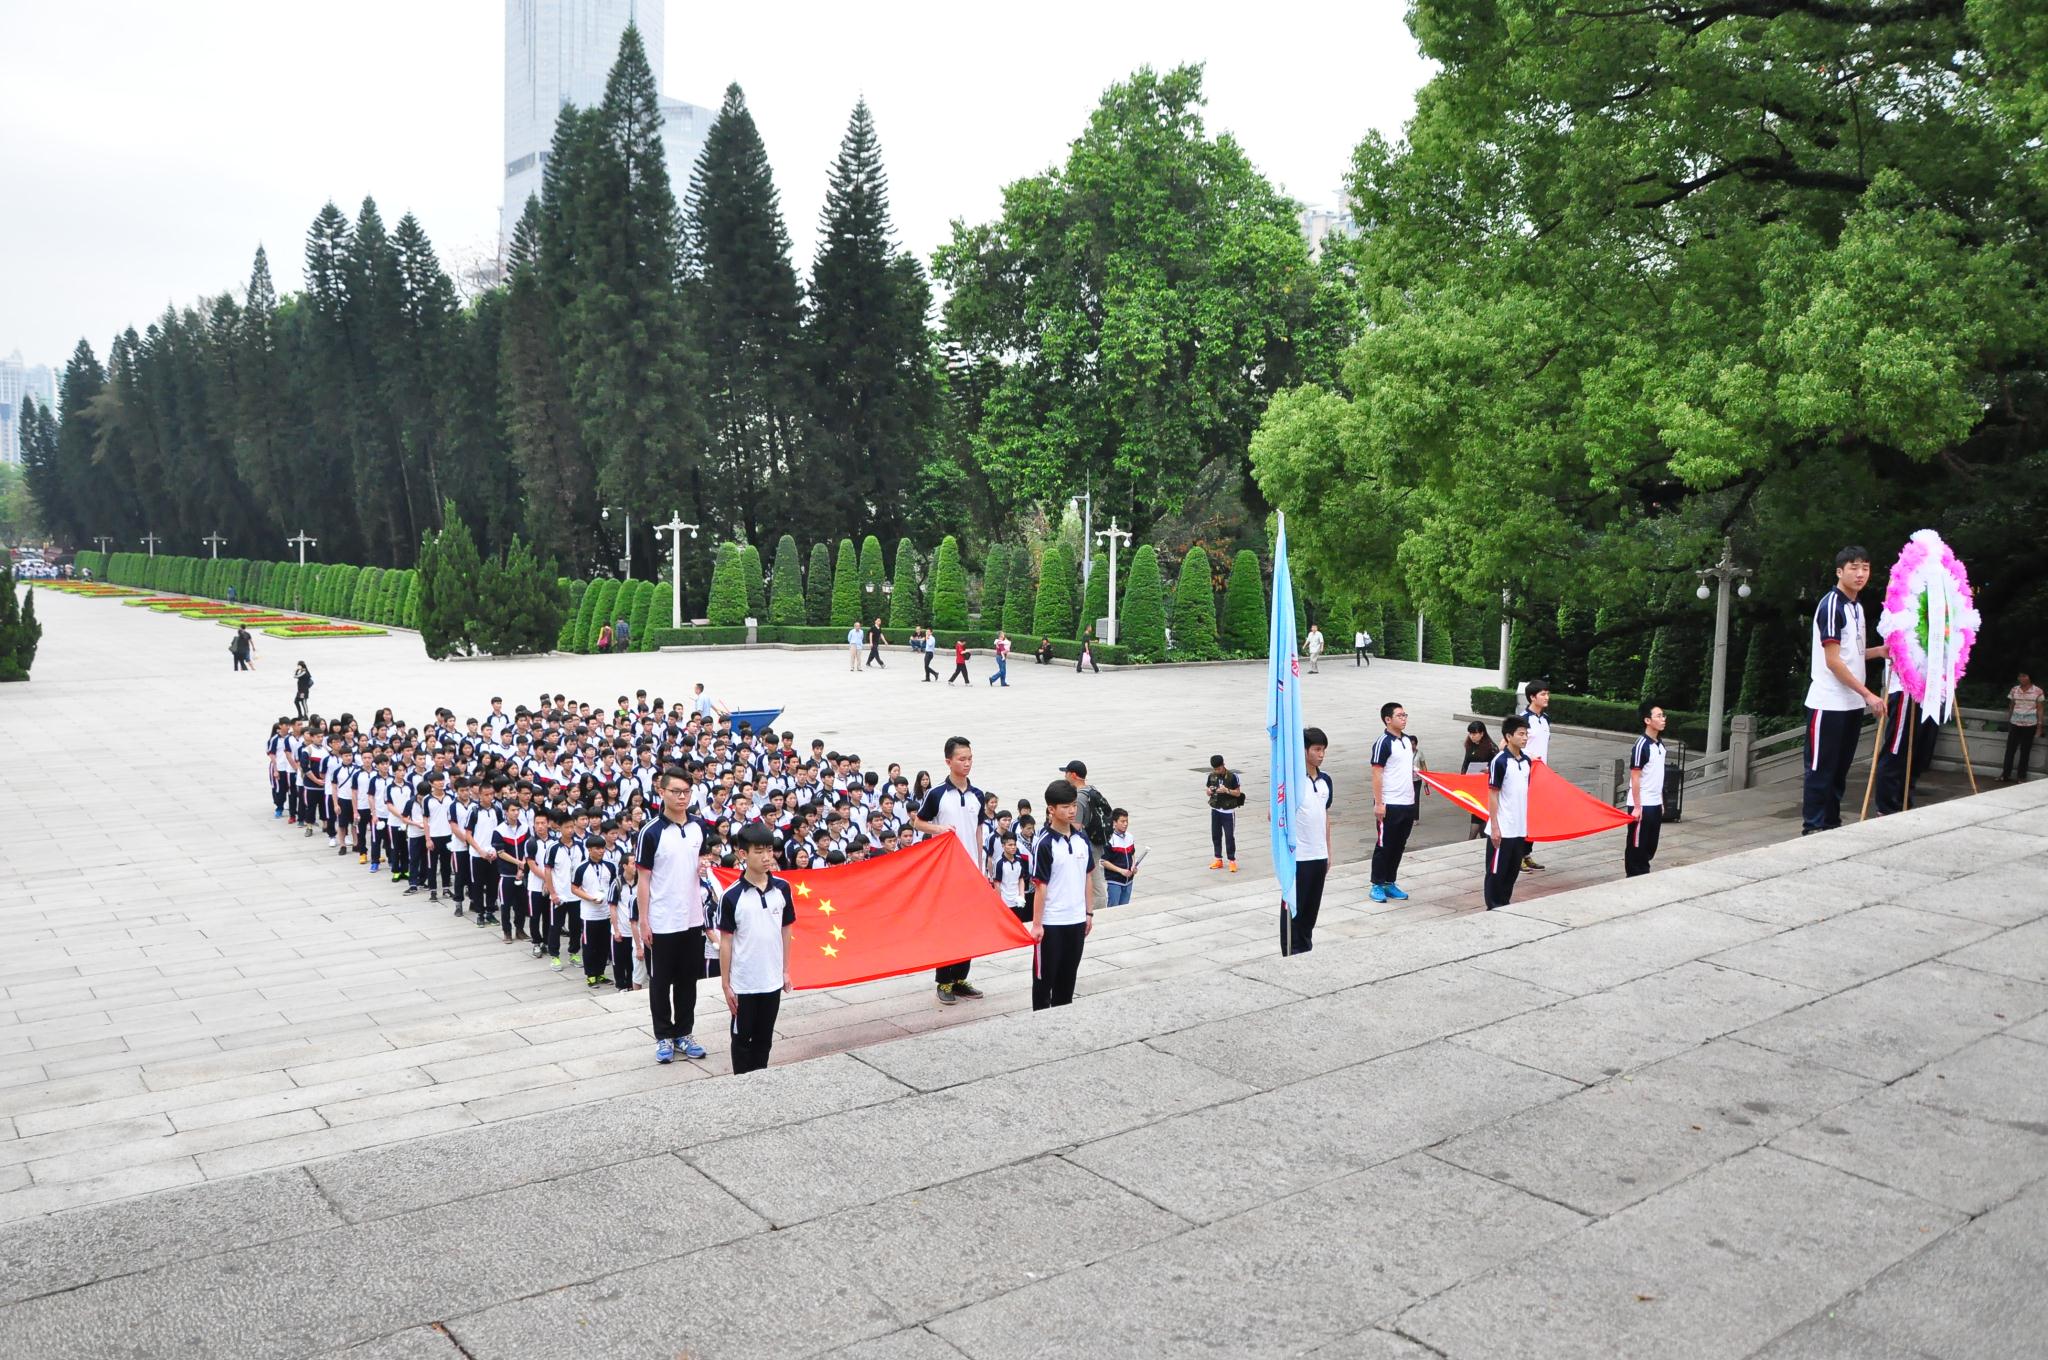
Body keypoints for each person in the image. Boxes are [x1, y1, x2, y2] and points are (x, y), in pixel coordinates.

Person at [1802, 546, 1889, 834]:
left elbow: (1853, 653)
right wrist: (1868, 694)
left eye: (1865, 567)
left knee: (1839, 770)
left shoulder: (1857, 607)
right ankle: (1812, 828)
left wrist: (1881, 651)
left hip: (1851, 704)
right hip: (1828, 703)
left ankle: (1831, 824)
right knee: (1820, 770)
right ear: (1839, 572)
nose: (1860, 573)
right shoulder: (1831, 606)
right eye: (1853, 567)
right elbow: (1833, 661)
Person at [638, 767, 712, 1063]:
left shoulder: (697, 826)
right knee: (660, 982)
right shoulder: (651, 832)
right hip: (662, 918)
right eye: (676, 792)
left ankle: (684, 1032)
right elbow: (643, 879)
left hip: (692, 917)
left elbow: (699, 860)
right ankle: (664, 1037)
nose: (682, 797)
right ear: (662, 792)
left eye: (686, 792)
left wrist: (702, 867)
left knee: (687, 980)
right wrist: (644, 921)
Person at [912, 736, 988, 1004]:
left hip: (971, 872)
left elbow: (979, 832)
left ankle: (960, 978)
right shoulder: (937, 795)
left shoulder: (978, 795)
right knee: (947, 927)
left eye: (969, 758)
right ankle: (943, 981)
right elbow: (919, 823)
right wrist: (939, 829)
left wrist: (982, 867)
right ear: (948, 761)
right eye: (961, 759)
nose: (966, 763)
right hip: (946, 873)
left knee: (969, 927)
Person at [718, 823, 796, 1073]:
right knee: (742, 1039)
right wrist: (726, 984)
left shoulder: (782, 888)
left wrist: (785, 970)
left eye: (769, 851)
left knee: (765, 1038)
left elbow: (786, 929)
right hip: (744, 983)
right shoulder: (732, 896)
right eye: (758, 851)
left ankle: (761, 1078)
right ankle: (742, 1082)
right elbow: (727, 941)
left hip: (771, 979)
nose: (766, 857)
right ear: (743, 854)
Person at [1027, 779, 1095, 1010]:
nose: (1071, 810)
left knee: (1068, 980)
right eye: (1065, 806)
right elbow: (1040, 886)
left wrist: (1089, 913)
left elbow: (1087, 876)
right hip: (1052, 922)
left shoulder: (1081, 839)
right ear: (1051, 809)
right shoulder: (1044, 843)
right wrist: (1037, 925)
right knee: (1044, 980)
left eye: (1074, 805)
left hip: (1076, 920)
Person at [1287, 727, 1333, 954]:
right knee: (1296, 907)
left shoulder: (1325, 781)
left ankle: (1305, 948)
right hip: (1299, 857)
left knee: (1312, 910)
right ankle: (1291, 949)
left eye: (1323, 749)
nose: (1321, 754)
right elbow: (1275, 815)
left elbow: (1325, 816)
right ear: (1304, 750)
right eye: (1316, 749)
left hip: (1319, 855)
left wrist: (1328, 853)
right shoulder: (1292, 781)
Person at [1369, 702, 1419, 903]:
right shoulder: (1383, 742)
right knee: (1384, 844)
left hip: (1407, 802)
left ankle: (1390, 881)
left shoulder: (1407, 741)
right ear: (1388, 719)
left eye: (1405, 715)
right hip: (1389, 802)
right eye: (1399, 715)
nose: (1404, 718)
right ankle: (1377, 884)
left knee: (1399, 844)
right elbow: (1376, 772)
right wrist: (1379, 803)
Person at [1484, 717, 1533, 908]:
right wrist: (1495, 826)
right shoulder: (1500, 761)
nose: (1525, 738)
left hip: (1519, 828)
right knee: (1497, 870)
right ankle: (1493, 905)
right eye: (1521, 734)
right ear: (1508, 736)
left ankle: (1504, 903)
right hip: (1503, 828)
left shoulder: (1527, 762)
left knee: (1512, 871)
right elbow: (1493, 794)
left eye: (1526, 734)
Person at [1062, 760, 1114, 915]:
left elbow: (1076, 826)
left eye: (1066, 773)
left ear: (1073, 775)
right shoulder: (1091, 790)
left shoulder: (1079, 797)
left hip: (1087, 846)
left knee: (1094, 880)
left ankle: (1098, 911)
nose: (1065, 776)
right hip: (1096, 842)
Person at [1626, 703, 1667, 876]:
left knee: (1651, 843)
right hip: (1642, 803)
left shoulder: (1659, 744)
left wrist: (1661, 801)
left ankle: (1644, 871)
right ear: (1647, 720)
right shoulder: (1641, 745)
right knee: (1637, 843)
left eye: (1663, 715)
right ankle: (1635, 874)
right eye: (1658, 716)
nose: (1663, 719)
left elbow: (1658, 774)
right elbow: (1635, 776)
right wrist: (1637, 806)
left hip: (1655, 802)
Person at [1518, 680, 1552, 869]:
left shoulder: (1545, 719)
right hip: (1525, 773)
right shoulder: (1523, 719)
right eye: (1543, 694)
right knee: (1523, 814)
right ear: (1532, 697)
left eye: (1547, 694)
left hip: (1540, 775)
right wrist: (1529, 756)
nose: (1547, 698)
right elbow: (1506, 744)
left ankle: (1526, 853)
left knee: (1534, 816)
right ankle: (1517, 856)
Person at [2003, 670, 2042, 782]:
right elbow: (2011, 706)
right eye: (2019, 676)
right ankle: (2005, 775)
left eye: (2024, 676)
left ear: (2030, 677)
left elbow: (2040, 709)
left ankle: (2021, 777)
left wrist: (2039, 727)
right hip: (2015, 723)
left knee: (2025, 752)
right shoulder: (2014, 689)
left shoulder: (2038, 691)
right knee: (2010, 750)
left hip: (2030, 725)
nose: (2021, 678)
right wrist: (2009, 720)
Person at [1460, 721, 1497, 840]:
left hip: (1485, 785)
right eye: (1470, 734)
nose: (1472, 736)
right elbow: (1466, 763)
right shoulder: (1469, 745)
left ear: (1482, 733)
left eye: (1474, 734)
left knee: (1480, 813)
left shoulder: (1491, 747)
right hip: (1473, 784)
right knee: (1477, 812)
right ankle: (1482, 838)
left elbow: (1498, 764)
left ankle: (1472, 839)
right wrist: (1462, 777)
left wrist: (1488, 769)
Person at [1205, 754, 1243, 870]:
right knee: (1216, 835)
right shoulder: (1212, 776)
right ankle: (1218, 859)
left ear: (1223, 765)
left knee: (1229, 836)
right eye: (1215, 769)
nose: (1217, 771)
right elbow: (1207, 790)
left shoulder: (1232, 777)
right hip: (1215, 810)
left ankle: (1232, 860)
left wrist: (1226, 790)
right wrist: (1209, 791)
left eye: (1219, 768)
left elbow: (1238, 793)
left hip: (1228, 811)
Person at [1103, 809, 1136, 905]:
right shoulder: (1109, 839)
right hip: (1115, 881)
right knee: (1113, 909)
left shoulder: (1130, 837)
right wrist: (1121, 871)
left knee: (1124, 908)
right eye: (1122, 821)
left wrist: (1134, 865)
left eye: (1127, 821)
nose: (1125, 824)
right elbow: (1103, 861)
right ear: (1115, 822)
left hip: (1129, 880)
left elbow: (1132, 853)